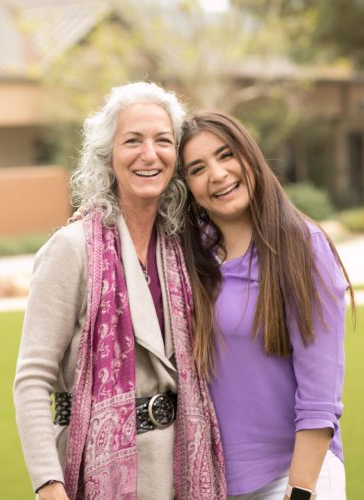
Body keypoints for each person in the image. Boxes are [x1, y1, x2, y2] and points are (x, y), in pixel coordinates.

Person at [13, 83, 226, 500]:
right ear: (107, 156)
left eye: (163, 141)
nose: (149, 154)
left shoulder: (186, 246)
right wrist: (47, 485)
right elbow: (31, 378)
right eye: (133, 141)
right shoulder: (72, 248)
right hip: (96, 473)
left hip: (181, 468)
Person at [178, 111, 353, 500]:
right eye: (197, 168)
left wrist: (302, 489)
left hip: (294, 476)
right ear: (186, 186)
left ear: (250, 156)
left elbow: (320, 395)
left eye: (226, 155)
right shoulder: (189, 258)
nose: (218, 174)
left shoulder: (302, 248)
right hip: (216, 483)